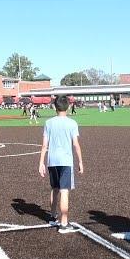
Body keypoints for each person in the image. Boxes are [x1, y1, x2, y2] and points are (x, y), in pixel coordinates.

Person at [38, 95, 84, 234]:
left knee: (55, 188)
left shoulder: (48, 123)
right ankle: (64, 224)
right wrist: (81, 161)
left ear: (54, 107)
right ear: (68, 107)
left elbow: (44, 145)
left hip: (52, 161)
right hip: (65, 161)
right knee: (64, 190)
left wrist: (41, 162)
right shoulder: (72, 123)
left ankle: (52, 216)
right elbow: (76, 144)